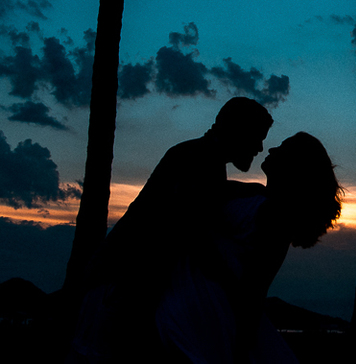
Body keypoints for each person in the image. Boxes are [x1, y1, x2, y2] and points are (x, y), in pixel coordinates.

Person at [72, 97, 274, 361]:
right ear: (237, 131)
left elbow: (208, 195)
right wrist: (235, 292)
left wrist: (251, 189)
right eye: (257, 137)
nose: (260, 148)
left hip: (117, 285)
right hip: (120, 289)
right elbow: (196, 234)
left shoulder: (198, 157)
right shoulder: (200, 161)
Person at [155, 132, 343, 363]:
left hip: (204, 303)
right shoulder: (254, 193)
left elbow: (255, 288)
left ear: (295, 166)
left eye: (282, 148)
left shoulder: (276, 219)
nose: (271, 149)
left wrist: (242, 346)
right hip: (190, 291)